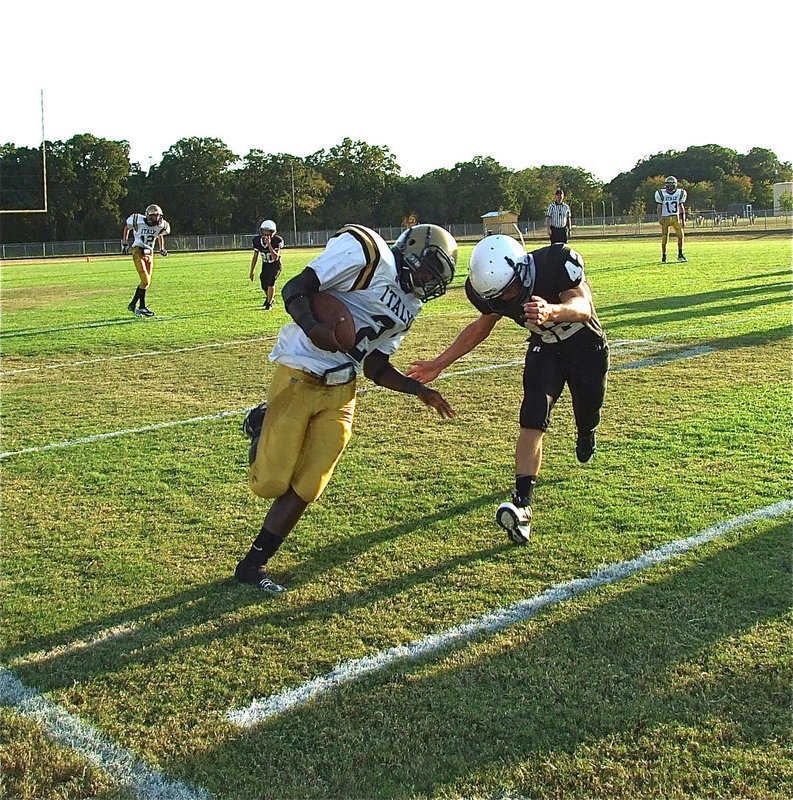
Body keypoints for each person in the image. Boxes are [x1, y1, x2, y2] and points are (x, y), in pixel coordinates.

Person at [235, 223, 459, 593]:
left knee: (310, 484)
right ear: (412, 250)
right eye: (429, 269)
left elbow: (375, 365)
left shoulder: (411, 305)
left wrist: (417, 389)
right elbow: (294, 289)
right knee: (269, 482)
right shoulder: (369, 254)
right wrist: (312, 327)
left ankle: (253, 564)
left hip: (343, 389)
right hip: (301, 370)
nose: (429, 281)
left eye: (437, 276)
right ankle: (261, 421)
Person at [407, 235, 608, 545]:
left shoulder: (555, 262)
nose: (507, 298)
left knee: (587, 410)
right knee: (532, 416)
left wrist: (552, 311)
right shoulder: (494, 292)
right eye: (499, 296)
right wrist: (439, 363)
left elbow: (583, 306)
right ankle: (522, 505)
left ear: (521, 268)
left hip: (586, 348)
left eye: (510, 288)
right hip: (546, 349)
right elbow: (480, 328)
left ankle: (586, 433)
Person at [122, 204, 170, 317]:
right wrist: (125, 243)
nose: (156, 218)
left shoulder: (161, 225)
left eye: (158, 215)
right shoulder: (137, 220)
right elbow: (127, 228)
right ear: (148, 215)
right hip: (138, 251)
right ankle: (139, 306)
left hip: (150, 253)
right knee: (145, 281)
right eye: (154, 215)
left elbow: (160, 235)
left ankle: (136, 305)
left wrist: (162, 248)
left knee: (146, 282)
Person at [249, 219, 284, 309]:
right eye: (264, 230)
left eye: (268, 231)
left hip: (275, 265)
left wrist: (269, 245)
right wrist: (252, 271)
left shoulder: (277, 240)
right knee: (264, 284)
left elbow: (276, 257)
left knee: (271, 282)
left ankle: (269, 304)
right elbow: (255, 257)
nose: (266, 233)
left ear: (272, 232)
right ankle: (270, 298)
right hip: (265, 265)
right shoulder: (257, 241)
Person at [655, 176, 687, 263]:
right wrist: (660, 218)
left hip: (676, 217)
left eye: (672, 185)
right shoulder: (661, 194)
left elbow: (681, 207)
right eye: (669, 185)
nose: (670, 187)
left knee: (681, 236)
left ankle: (680, 254)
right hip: (665, 217)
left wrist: (683, 219)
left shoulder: (679, 193)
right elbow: (659, 208)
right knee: (665, 237)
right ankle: (664, 256)